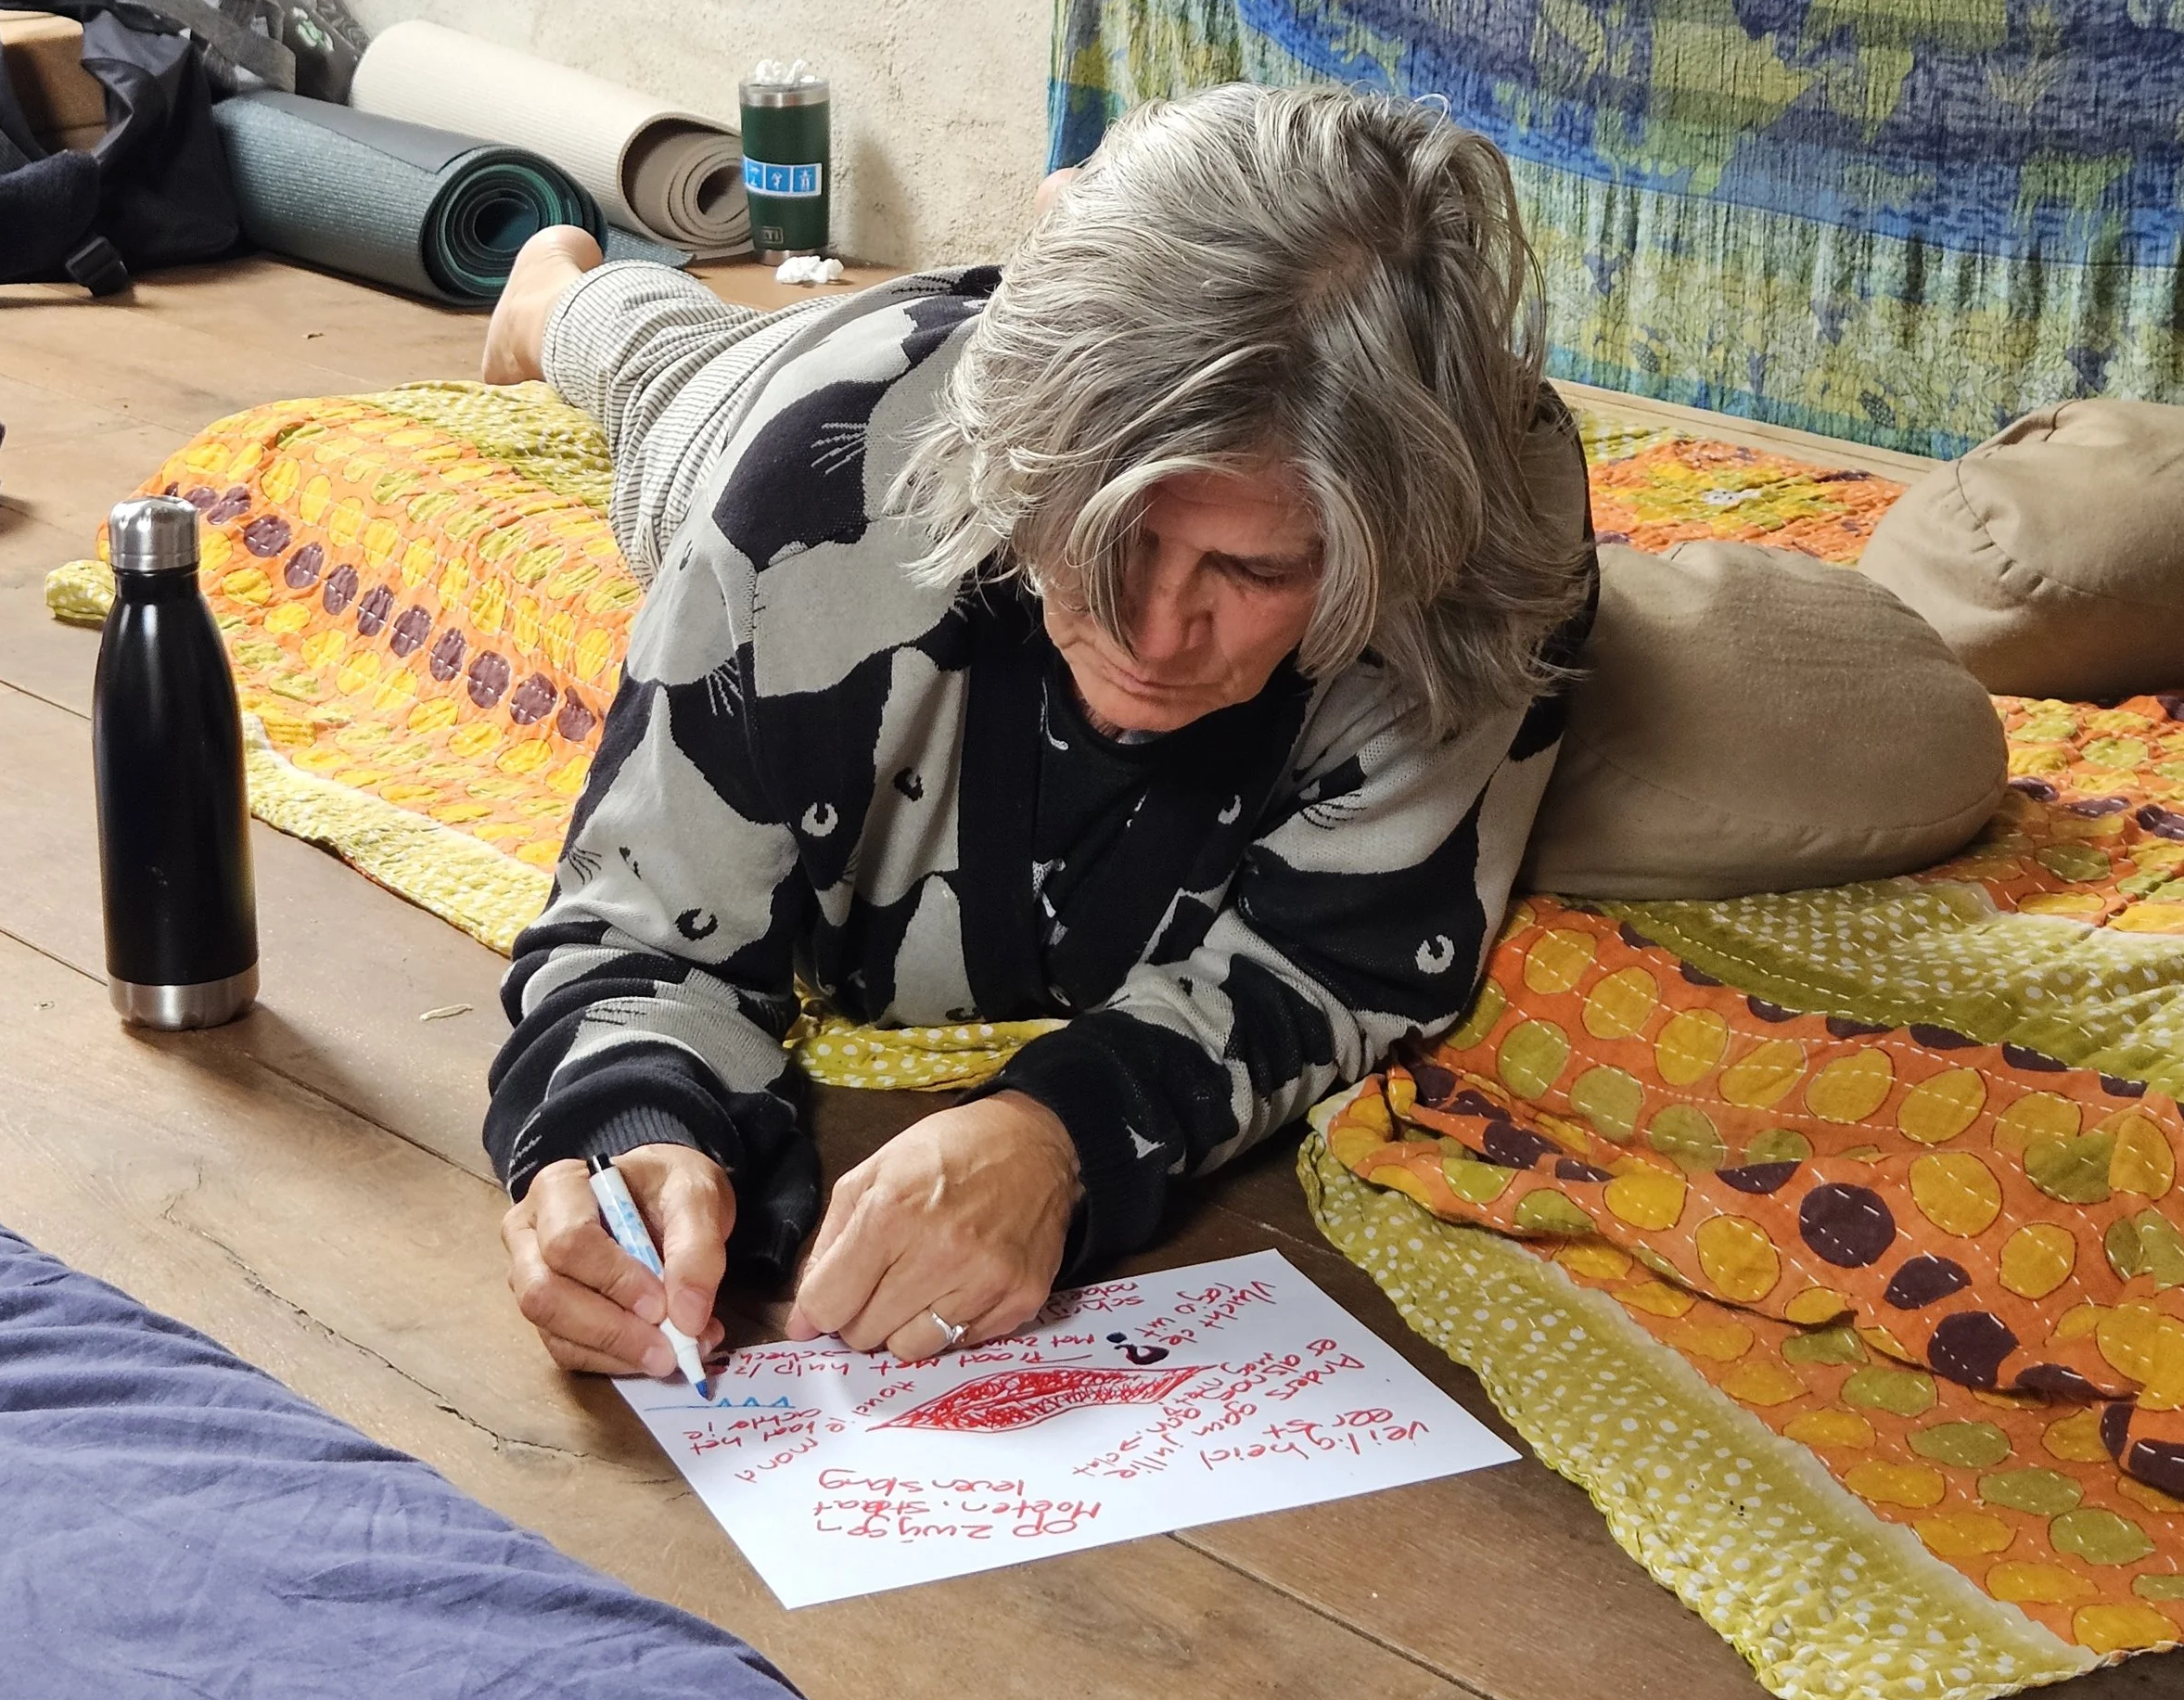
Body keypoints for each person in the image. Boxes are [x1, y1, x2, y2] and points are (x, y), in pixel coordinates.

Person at [485, 83, 1596, 1388]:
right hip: (765, 403)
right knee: (658, 366)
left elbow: (1356, 948)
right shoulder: (815, 485)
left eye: (1250, 570)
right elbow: (634, 926)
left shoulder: (1486, 517)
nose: (1151, 628)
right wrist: (632, 1128)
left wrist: (1063, 1135)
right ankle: (553, 290)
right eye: (1106, 530)